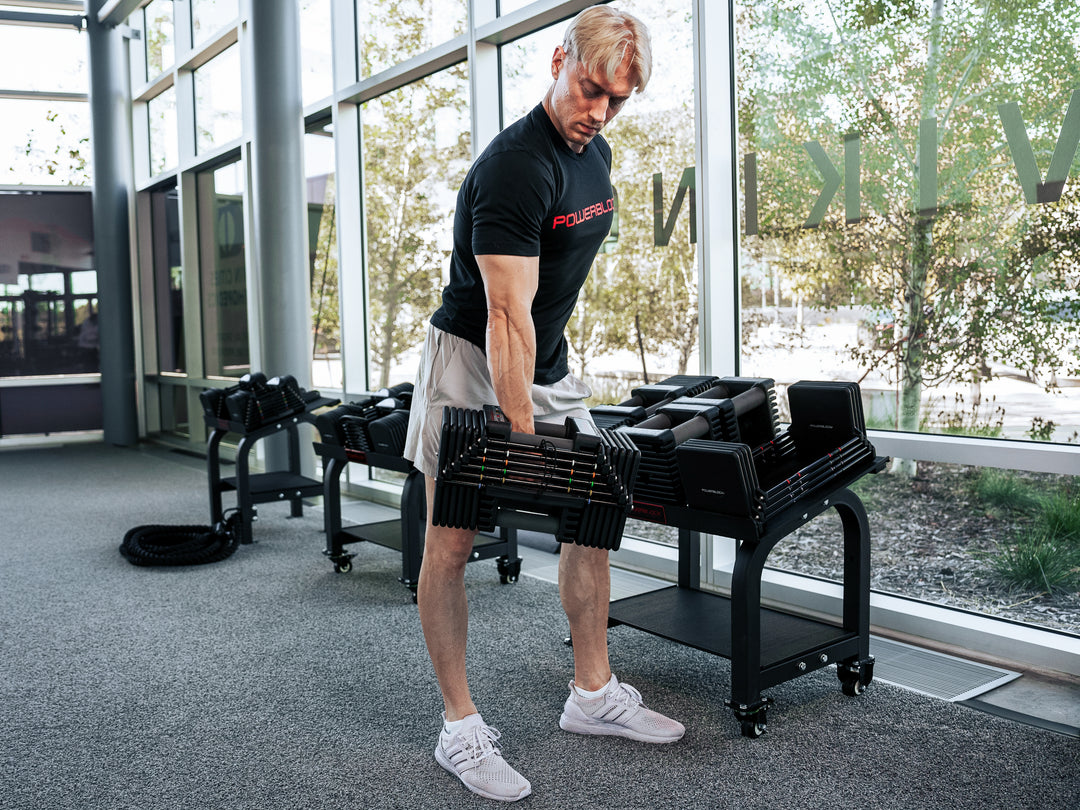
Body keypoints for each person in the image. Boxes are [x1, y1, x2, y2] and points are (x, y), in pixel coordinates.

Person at [402, 6, 684, 803]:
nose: (599, 111)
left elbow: (546, 300)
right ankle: (460, 729)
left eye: (618, 100)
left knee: (594, 509)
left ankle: (591, 696)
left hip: (545, 360)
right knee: (451, 544)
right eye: (591, 89)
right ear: (559, 60)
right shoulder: (517, 166)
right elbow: (502, 315)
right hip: (471, 361)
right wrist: (521, 437)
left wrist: (548, 394)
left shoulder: (590, 156)